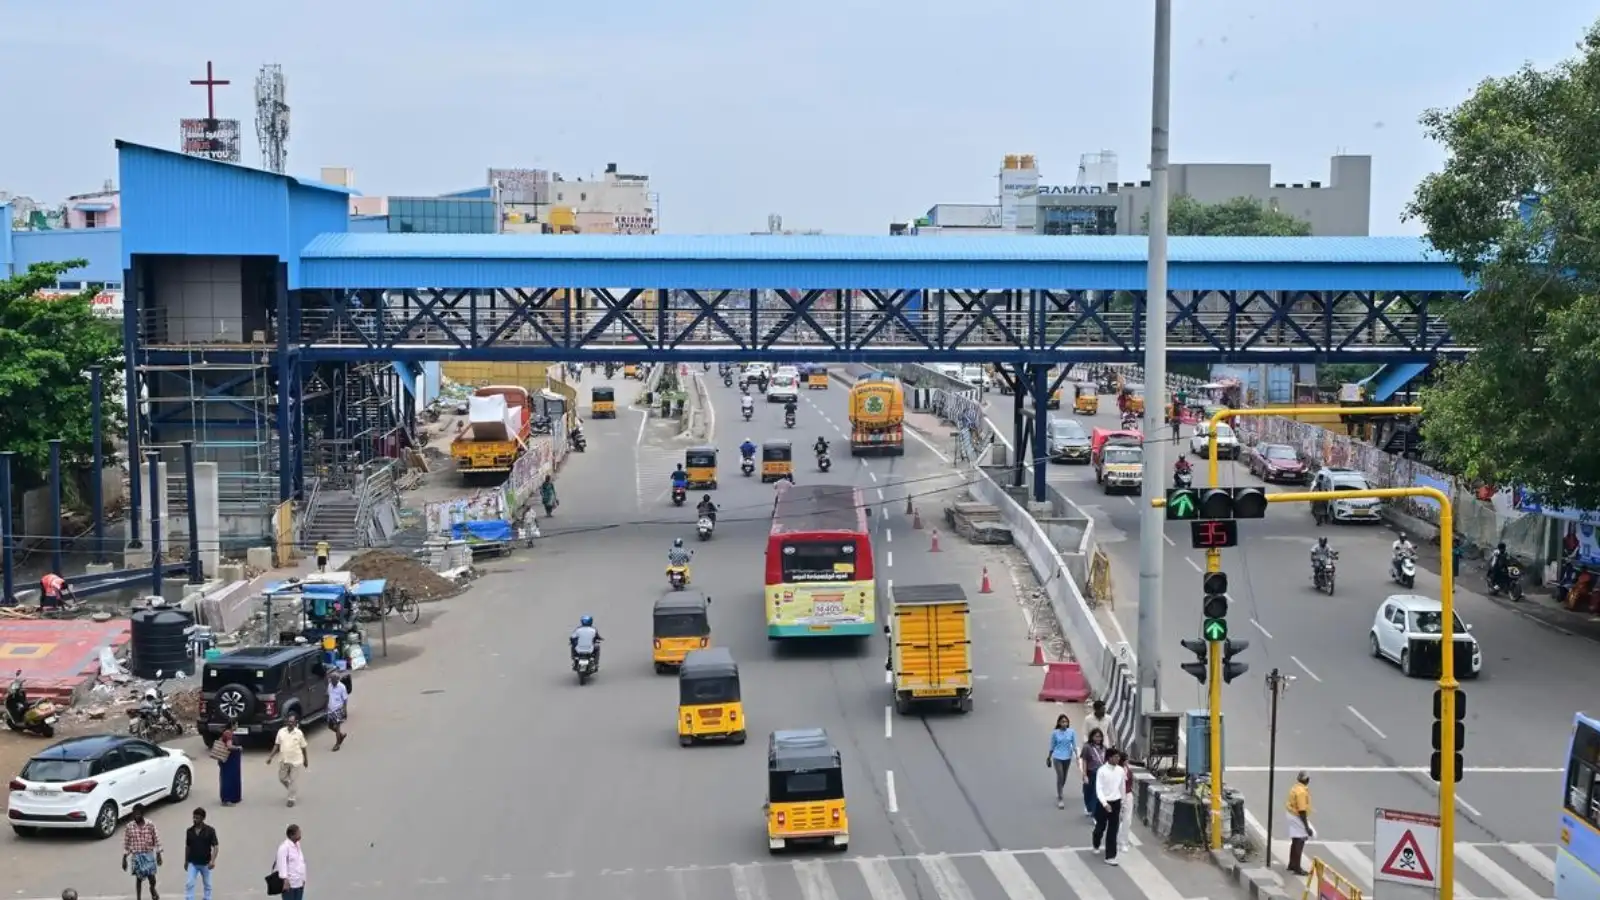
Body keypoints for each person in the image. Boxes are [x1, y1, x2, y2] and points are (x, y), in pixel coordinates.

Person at [264, 713, 309, 808]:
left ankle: (291, 799)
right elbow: (277, 745)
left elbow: (304, 747)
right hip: (284, 760)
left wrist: (306, 760)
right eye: (289, 721)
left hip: (296, 761)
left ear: (296, 722)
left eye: (292, 722)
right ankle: (292, 789)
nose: (290, 723)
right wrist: (270, 757)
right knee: (282, 778)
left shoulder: (299, 733)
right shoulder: (281, 732)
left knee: (293, 780)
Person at [1092, 748, 1127, 865]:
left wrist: (1123, 802)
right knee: (1100, 828)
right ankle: (1096, 842)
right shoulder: (1101, 771)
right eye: (1116, 757)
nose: (1118, 759)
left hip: (1116, 801)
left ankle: (1110, 856)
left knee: (1113, 829)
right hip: (1104, 803)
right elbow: (1099, 789)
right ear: (1109, 757)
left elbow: (1122, 787)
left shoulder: (1121, 770)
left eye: (1118, 757)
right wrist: (1105, 804)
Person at [121, 804, 162, 900]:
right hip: (137, 855)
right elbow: (126, 843)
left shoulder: (150, 824)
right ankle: (138, 897)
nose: (136, 816)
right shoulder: (129, 827)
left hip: (148, 854)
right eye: (134, 814)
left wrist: (158, 853)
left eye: (138, 814)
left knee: (152, 877)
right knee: (138, 879)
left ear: (143, 814)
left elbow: (156, 839)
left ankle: (152, 888)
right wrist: (124, 858)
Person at [183, 807, 218, 900]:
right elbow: (188, 847)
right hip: (193, 863)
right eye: (194, 817)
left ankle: (207, 898)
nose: (195, 820)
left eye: (197, 818)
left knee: (208, 884)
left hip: (206, 863)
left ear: (203, 818)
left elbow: (216, 846)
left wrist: (213, 860)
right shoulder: (189, 831)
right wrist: (186, 861)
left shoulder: (210, 831)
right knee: (189, 883)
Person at [1285, 771, 1314, 877]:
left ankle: (1292, 864)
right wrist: (1307, 827)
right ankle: (1297, 867)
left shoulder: (1296, 787)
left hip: (1291, 813)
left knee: (1295, 840)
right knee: (1300, 840)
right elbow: (1302, 811)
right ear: (1307, 780)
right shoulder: (1301, 792)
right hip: (1297, 816)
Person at [1047, 714, 1078, 809]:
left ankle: (1060, 789)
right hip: (1057, 757)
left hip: (1067, 757)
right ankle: (1060, 798)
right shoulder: (1055, 733)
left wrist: (1077, 755)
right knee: (1060, 776)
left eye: (1066, 721)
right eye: (1062, 722)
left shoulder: (1071, 732)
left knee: (1064, 777)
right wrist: (1049, 757)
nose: (1064, 723)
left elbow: (1074, 744)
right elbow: (1052, 746)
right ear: (1059, 723)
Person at [1079, 727, 1107, 821]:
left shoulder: (1104, 748)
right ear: (1092, 737)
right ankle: (1089, 807)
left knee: (1097, 793)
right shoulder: (1087, 747)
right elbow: (1084, 761)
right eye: (1096, 736)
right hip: (1091, 772)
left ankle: (1095, 814)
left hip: (1101, 774)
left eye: (1100, 737)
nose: (1098, 739)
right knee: (1088, 792)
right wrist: (1084, 774)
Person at [273, 825, 307, 900]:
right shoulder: (284, 847)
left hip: (299, 882)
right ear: (292, 835)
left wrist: (303, 878)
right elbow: (281, 864)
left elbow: (300, 862)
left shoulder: (297, 845)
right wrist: (285, 880)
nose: (300, 834)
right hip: (289, 884)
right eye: (298, 832)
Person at [210, 723, 242, 806]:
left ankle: (234, 797)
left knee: (232, 778)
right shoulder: (228, 734)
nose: (237, 726)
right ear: (232, 725)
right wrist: (238, 748)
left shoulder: (227, 732)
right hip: (229, 760)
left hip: (230, 760)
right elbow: (229, 746)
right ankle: (227, 800)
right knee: (228, 779)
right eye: (236, 725)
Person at [325, 670, 349, 751]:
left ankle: (337, 744)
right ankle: (341, 735)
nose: (331, 681)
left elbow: (345, 699)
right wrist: (326, 706)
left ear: (337, 680)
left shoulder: (342, 687)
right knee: (330, 726)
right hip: (330, 709)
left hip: (338, 709)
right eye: (331, 679)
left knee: (337, 726)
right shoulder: (330, 686)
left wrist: (345, 710)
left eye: (333, 680)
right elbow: (328, 696)